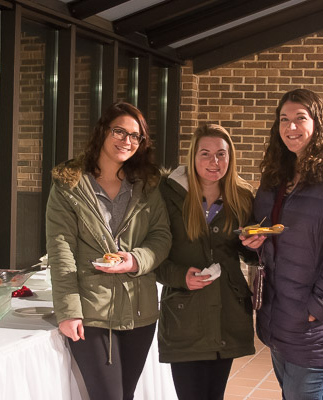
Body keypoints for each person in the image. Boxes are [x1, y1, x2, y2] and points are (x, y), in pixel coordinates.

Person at [242, 88, 323, 400]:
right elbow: (267, 229)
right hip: (281, 313)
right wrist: (253, 239)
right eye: (283, 119)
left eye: (300, 119)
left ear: (318, 122)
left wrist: (317, 307)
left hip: (316, 322)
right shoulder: (278, 172)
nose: (290, 127)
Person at [45, 101, 172, 400]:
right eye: (119, 131)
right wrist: (68, 310)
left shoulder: (148, 184)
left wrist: (134, 260)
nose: (126, 141)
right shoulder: (70, 185)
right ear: (102, 131)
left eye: (135, 136)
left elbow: (161, 237)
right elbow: (60, 249)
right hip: (91, 313)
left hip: (140, 313)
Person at [157, 123, 256, 400]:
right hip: (185, 315)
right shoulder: (167, 194)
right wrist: (179, 277)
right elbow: (152, 254)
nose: (214, 162)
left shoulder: (242, 196)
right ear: (193, 155)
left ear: (230, 157)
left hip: (227, 314)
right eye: (205, 154)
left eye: (221, 154)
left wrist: (255, 246)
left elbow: (248, 254)